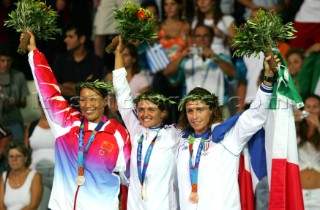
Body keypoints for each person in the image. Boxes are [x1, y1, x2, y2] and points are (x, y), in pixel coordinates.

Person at [24, 31, 131, 210]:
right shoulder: (67, 123)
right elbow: (48, 91)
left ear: (105, 101)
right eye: (82, 99)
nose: (87, 105)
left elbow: (132, 179)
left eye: (93, 99)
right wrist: (33, 51)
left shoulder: (118, 134)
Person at [176, 54, 278, 209]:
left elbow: (255, 115)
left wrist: (268, 79)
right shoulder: (180, 141)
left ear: (212, 110)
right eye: (190, 111)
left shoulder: (227, 138)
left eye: (200, 109)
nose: (194, 116)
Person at [113, 36, 179, 210]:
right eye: (141, 109)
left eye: (151, 110)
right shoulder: (137, 130)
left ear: (163, 113)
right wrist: (118, 55)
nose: (144, 114)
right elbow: (122, 95)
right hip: (136, 205)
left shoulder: (173, 135)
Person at [163, 24, 236, 113]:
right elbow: (167, 72)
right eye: (198, 36)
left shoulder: (221, 57)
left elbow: (234, 74)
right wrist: (181, 56)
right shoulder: (187, 61)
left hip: (218, 109)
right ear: (193, 38)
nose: (201, 39)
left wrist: (215, 58)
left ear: (212, 38)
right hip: (192, 110)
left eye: (205, 35)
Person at [52, 23, 104, 106]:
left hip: (88, 106)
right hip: (64, 107)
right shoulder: (60, 59)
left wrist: (66, 85)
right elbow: (54, 87)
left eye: (70, 37)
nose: (65, 40)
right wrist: (81, 89)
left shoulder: (96, 61)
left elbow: (93, 90)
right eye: (66, 36)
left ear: (82, 39)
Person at [24, 100, 55, 210]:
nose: (45, 106)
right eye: (42, 102)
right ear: (39, 105)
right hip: (37, 174)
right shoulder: (32, 126)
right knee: (40, 207)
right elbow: (25, 153)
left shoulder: (61, 124)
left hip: (58, 175)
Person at [295, 94, 320, 210]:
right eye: (308, 106)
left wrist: (318, 125)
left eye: (315, 106)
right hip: (298, 193)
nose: (311, 110)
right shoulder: (296, 128)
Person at [0, 141, 43, 210]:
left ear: (25, 158)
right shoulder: (4, 176)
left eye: (18, 156)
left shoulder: (35, 176)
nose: (14, 159)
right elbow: (1, 206)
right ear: (8, 160)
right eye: (11, 156)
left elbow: (33, 205)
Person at [0, 43, 29, 142]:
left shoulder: (19, 76)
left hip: (14, 120)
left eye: (8, 61)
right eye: (2, 61)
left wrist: (16, 102)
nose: (6, 64)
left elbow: (24, 103)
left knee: (18, 147)